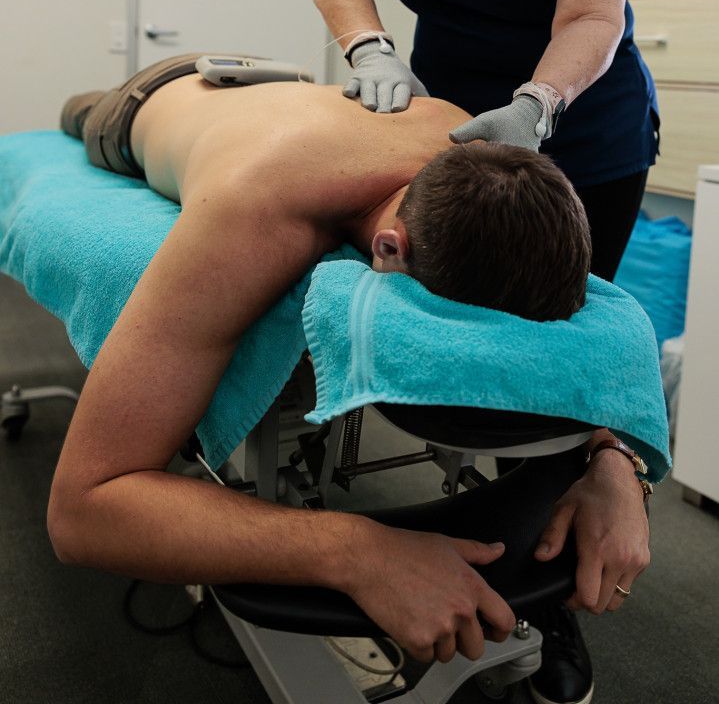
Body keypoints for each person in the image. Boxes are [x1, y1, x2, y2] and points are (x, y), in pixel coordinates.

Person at [311, 0, 658, 698]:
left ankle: (547, 617)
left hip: (576, 141)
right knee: (448, 349)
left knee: (548, 391)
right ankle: (417, 553)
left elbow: (594, 14)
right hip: (443, 131)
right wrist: (367, 45)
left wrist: (537, 106)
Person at [48, 57, 650, 670]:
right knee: (78, 111)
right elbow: (83, 510)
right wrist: (356, 549)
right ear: (389, 250)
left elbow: (550, 337)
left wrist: (615, 459)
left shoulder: (488, 162)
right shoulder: (257, 207)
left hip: (286, 89)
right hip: (152, 96)